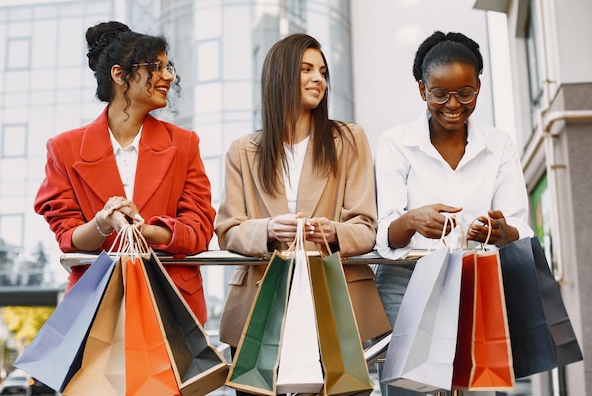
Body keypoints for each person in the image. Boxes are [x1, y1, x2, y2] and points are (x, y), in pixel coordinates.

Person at [215, 33, 390, 395]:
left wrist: (334, 232)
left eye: (323, 71)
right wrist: (267, 229)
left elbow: (366, 226)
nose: (319, 79)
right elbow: (228, 229)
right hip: (262, 302)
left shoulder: (349, 139)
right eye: (306, 69)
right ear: (280, 75)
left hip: (332, 302)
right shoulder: (243, 151)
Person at [374, 30, 534, 396]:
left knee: (477, 387)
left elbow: (519, 228)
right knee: (410, 389)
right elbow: (385, 234)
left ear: (478, 87)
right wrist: (413, 220)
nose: (453, 104)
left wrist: (499, 230)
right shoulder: (396, 143)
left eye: (465, 93)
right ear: (421, 91)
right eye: (439, 94)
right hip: (407, 285)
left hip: (474, 285)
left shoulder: (499, 145)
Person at [34, 21, 216, 324]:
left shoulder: (184, 145)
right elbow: (68, 236)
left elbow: (198, 232)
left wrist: (139, 230)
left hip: (171, 307)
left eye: (168, 67)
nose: (168, 76)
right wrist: (105, 222)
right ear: (119, 75)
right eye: (156, 67)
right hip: (96, 309)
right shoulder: (63, 149)